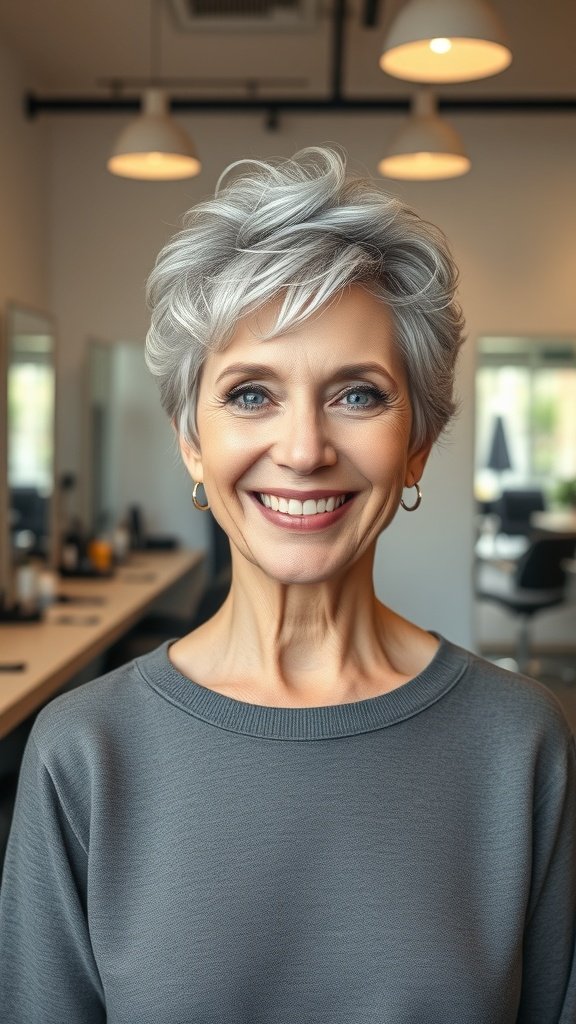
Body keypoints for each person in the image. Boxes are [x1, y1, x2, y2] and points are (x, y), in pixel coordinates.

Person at [0, 146, 574, 1024]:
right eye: (251, 395)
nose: (304, 450)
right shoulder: (84, 753)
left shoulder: (521, 745)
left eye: (358, 395)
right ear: (192, 442)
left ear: (417, 445)